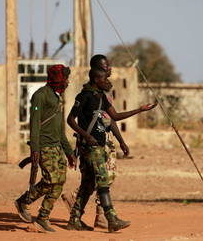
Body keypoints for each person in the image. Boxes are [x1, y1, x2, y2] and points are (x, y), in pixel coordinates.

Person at [66, 66, 156, 232]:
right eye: (103, 79)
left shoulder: (101, 97)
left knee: (88, 184)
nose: (107, 81)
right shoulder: (84, 96)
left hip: (99, 144)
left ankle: (74, 219)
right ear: (95, 80)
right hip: (90, 147)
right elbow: (70, 120)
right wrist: (86, 136)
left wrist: (140, 110)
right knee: (103, 180)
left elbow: (114, 117)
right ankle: (111, 218)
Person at [14, 64, 75, 233]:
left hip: (57, 148)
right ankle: (26, 204)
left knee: (59, 182)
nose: (68, 82)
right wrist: (35, 149)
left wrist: (69, 152)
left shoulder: (57, 98)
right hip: (44, 146)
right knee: (51, 180)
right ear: (58, 79)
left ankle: (41, 217)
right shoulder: (40, 96)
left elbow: (60, 129)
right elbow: (34, 125)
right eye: (65, 79)